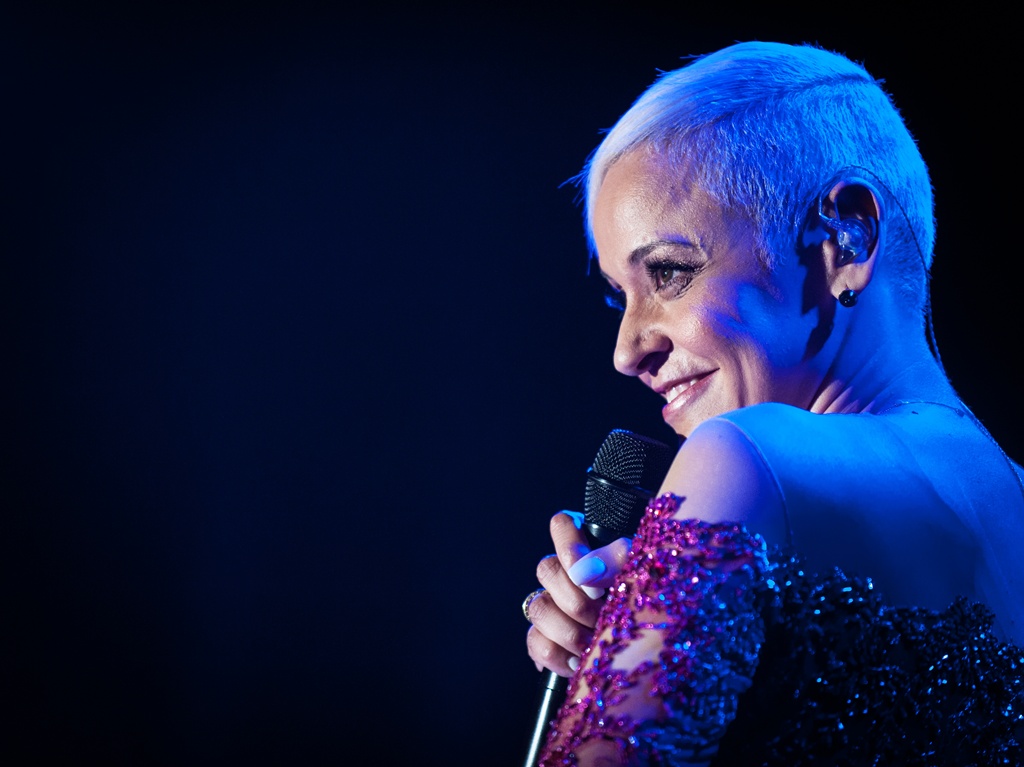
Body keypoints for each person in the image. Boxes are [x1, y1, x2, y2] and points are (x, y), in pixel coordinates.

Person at [522, 41, 1024, 766]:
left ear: (845, 236)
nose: (626, 350)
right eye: (618, 297)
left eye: (668, 272)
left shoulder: (744, 455)